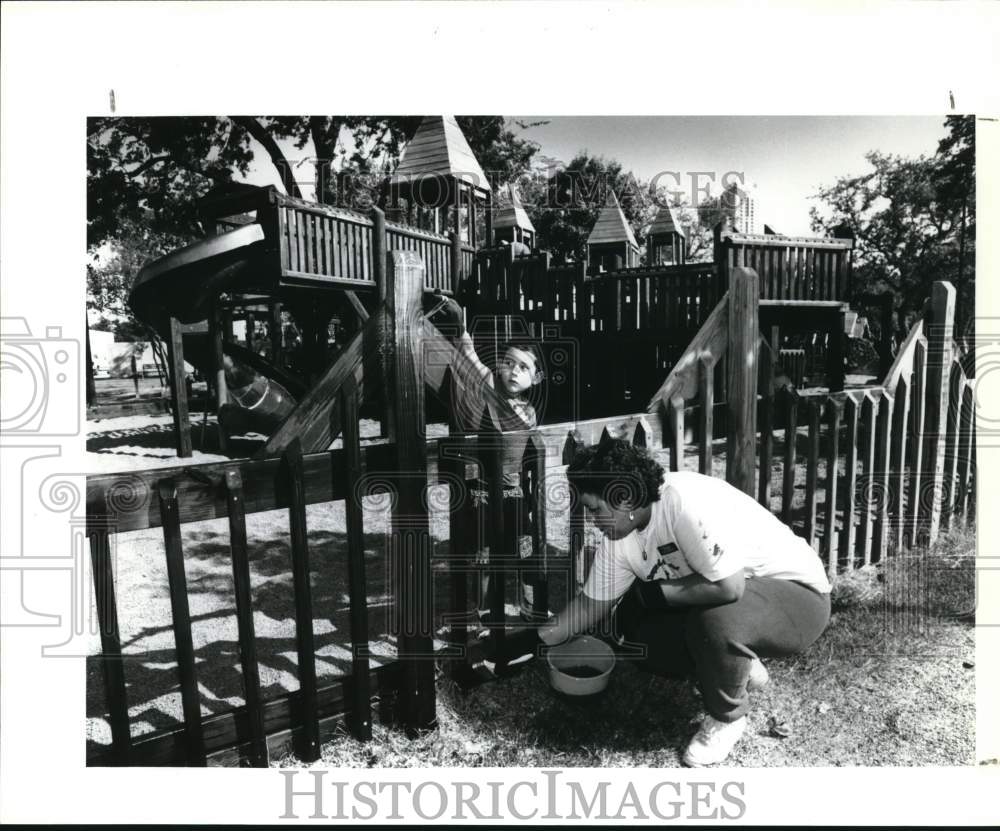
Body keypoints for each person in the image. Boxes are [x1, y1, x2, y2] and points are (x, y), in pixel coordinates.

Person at [520, 438, 831, 766]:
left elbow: (728, 587)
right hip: (745, 603)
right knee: (634, 633)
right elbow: (588, 606)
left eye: (594, 508)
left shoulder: (682, 503)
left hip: (800, 600)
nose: (591, 519)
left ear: (624, 499)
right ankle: (740, 664)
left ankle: (728, 718)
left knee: (713, 622)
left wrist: (654, 593)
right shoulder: (620, 535)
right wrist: (529, 643)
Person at [425, 290, 545, 626]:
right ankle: (479, 613)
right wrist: (461, 325)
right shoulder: (489, 391)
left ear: (536, 378)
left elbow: (530, 456)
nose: (513, 371)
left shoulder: (530, 412)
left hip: (515, 496)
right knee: (484, 557)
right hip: (482, 494)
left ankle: (529, 604)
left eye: (523, 366)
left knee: (526, 552)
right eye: (508, 363)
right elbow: (470, 356)